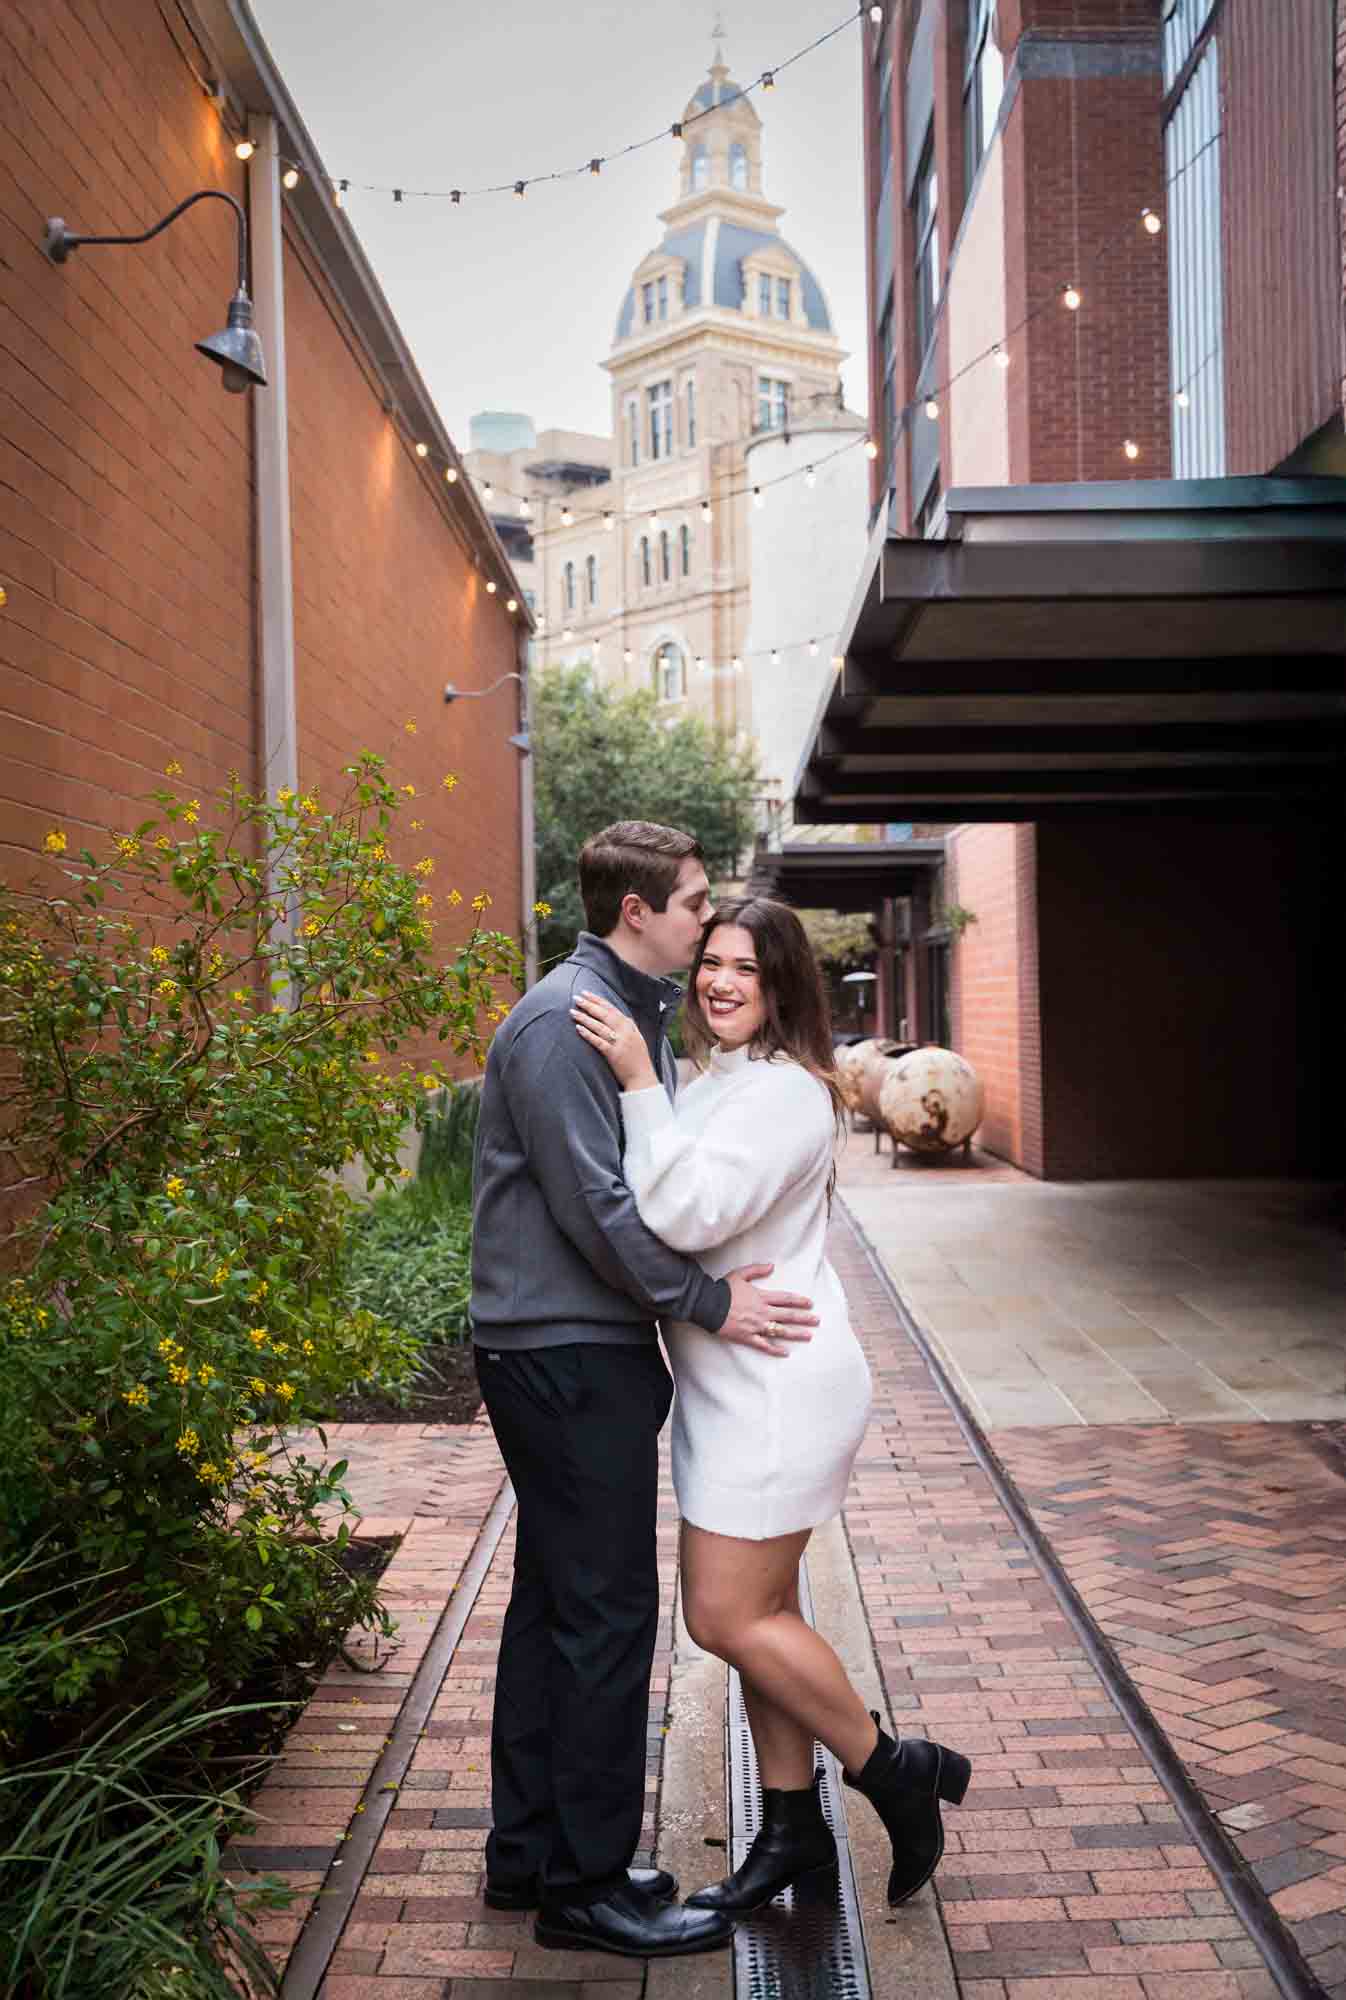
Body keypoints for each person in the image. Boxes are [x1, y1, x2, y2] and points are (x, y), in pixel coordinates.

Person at [570, 897, 972, 1916]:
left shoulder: (787, 1093)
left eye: (745, 966)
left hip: (777, 1389)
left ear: (781, 981)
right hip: (732, 1382)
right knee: (765, 1613)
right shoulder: (721, 1078)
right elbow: (667, 1193)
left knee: (722, 1612)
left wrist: (628, 1078)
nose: (720, 980)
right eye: (710, 961)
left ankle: (891, 1765)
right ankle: (790, 1828)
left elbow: (675, 1210)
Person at [469, 824, 821, 1960]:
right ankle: (585, 1888)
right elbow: (600, 1208)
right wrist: (712, 1304)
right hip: (566, 1354)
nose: (701, 922)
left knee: (557, 1604)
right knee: (607, 1615)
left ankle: (531, 1853)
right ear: (638, 912)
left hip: (564, 1348)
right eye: (691, 904)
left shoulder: (617, 1013)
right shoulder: (570, 1022)